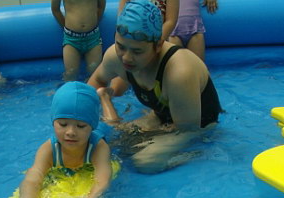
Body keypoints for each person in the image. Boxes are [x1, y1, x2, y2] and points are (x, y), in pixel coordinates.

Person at [88, 0, 221, 173]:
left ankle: (199, 154)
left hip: (199, 129)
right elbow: (96, 82)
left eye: (137, 51)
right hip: (161, 116)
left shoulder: (179, 72)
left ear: (158, 45)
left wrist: (155, 137)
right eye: (121, 46)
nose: (126, 57)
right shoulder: (115, 56)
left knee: (145, 161)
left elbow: (189, 130)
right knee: (112, 144)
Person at [2, 82, 112, 198]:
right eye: (63, 124)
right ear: (53, 122)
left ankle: (104, 98)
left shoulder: (98, 147)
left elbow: (102, 180)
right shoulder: (49, 149)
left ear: (91, 127)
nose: (71, 132)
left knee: (112, 122)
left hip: (106, 131)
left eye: (81, 126)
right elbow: (34, 176)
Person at [111, 0, 178, 96]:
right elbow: (122, 15)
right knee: (116, 88)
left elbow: (171, 21)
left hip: (154, 45)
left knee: (156, 85)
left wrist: (153, 42)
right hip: (130, 42)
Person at [51, 0, 106, 81]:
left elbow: (101, 6)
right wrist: (66, 27)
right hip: (71, 39)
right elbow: (55, 9)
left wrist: (93, 23)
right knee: (71, 74)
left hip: (92, 38)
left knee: (95, 75)